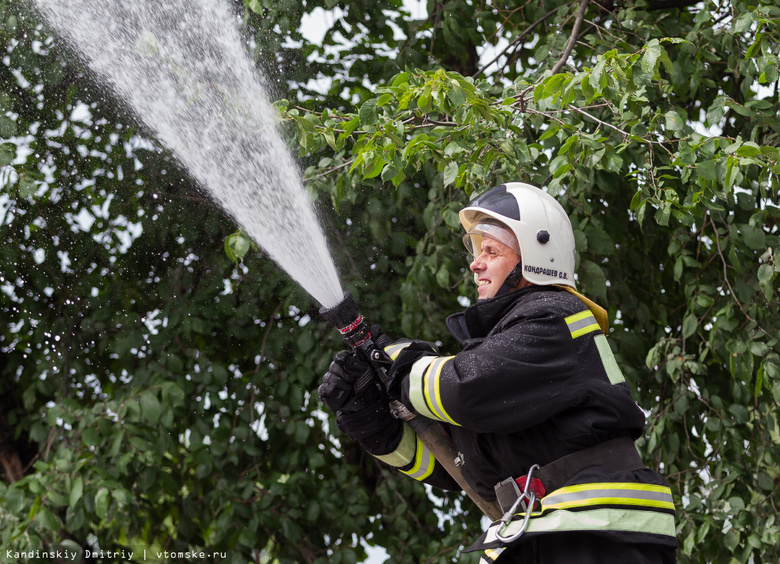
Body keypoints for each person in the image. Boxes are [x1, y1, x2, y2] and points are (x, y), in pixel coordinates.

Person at [319, 182, 677, 563]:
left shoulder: (555, 317)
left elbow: (463, 389)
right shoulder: (512, 363)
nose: (475, 263)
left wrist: (398, 364)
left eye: (491, 250)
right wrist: (376, 425)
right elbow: (453, 464)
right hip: (546, 533)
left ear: (536, 258)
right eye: (475, 250)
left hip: (599, 536)